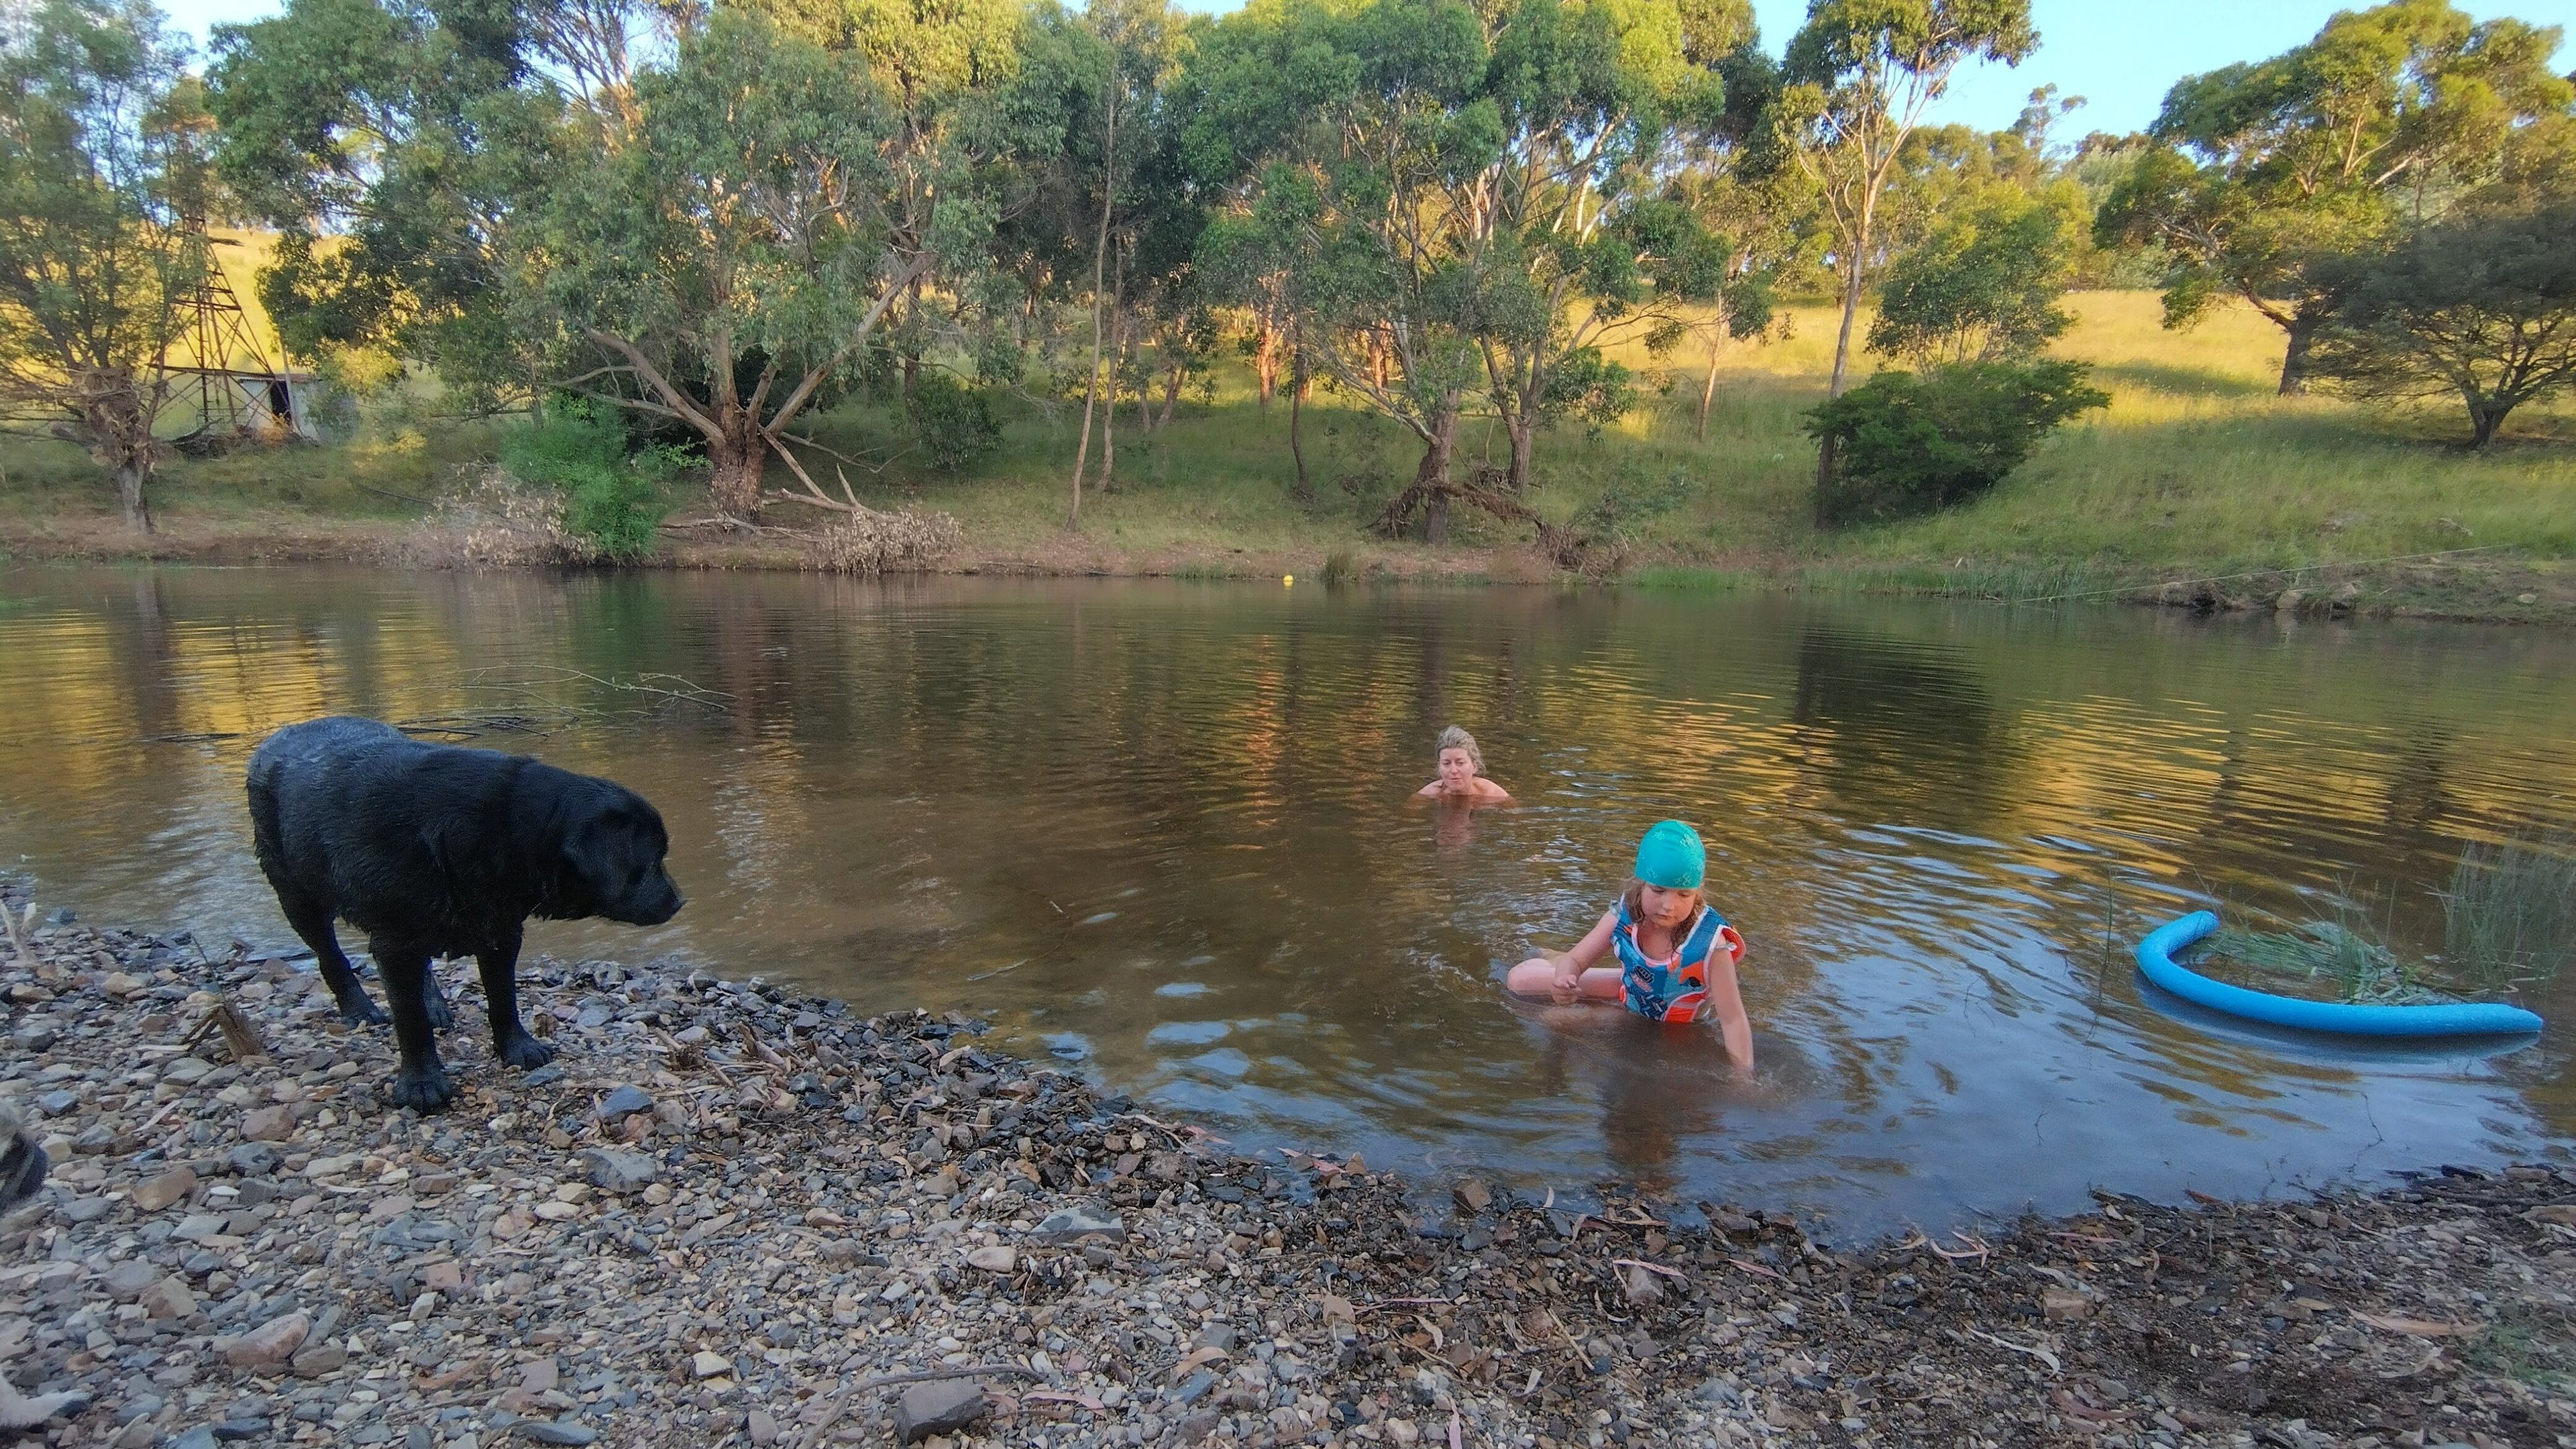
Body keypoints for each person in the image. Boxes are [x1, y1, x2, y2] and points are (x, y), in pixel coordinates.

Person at [1506, 820, 1753, 1069]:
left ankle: (1552, 961)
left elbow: (1732, 1019)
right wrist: (1564, 979)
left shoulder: (1711, 946)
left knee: (1554, 1020)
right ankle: (1552, 959)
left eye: (1683, 895)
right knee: (1518, 981)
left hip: (1670, 1025)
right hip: (1631, 990)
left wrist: (1743, 1078)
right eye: (1658, 891)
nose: (1669, 905)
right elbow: (1577, 960)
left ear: (1697, 894)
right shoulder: (1624, 915)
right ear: (1639, 885)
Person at [1415, 725, 1511, 801]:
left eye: (1460, 763)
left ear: (1474, 766)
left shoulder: (1496, 795)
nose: (1453, 771)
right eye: (1447, 764)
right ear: (1439, 767)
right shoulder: (1426, 795)